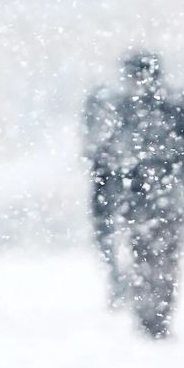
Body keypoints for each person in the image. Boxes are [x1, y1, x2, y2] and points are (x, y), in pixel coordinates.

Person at [90, 50, 184, 338]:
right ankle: (157, 312)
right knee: (164, 256)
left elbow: (106, 155)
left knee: (144, 254)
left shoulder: (124, 107)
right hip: (168, 194)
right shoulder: (177, 103)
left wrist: (107, 193)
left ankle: (150, 312)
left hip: (140, 196)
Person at [82, 84, 127, 308]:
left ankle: (120, 279)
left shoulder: (106, 102)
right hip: (117, 181)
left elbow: (90, 146)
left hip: (108, 180)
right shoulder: (115, 103)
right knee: (113, 235)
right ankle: (123, 279)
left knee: (107, 235)